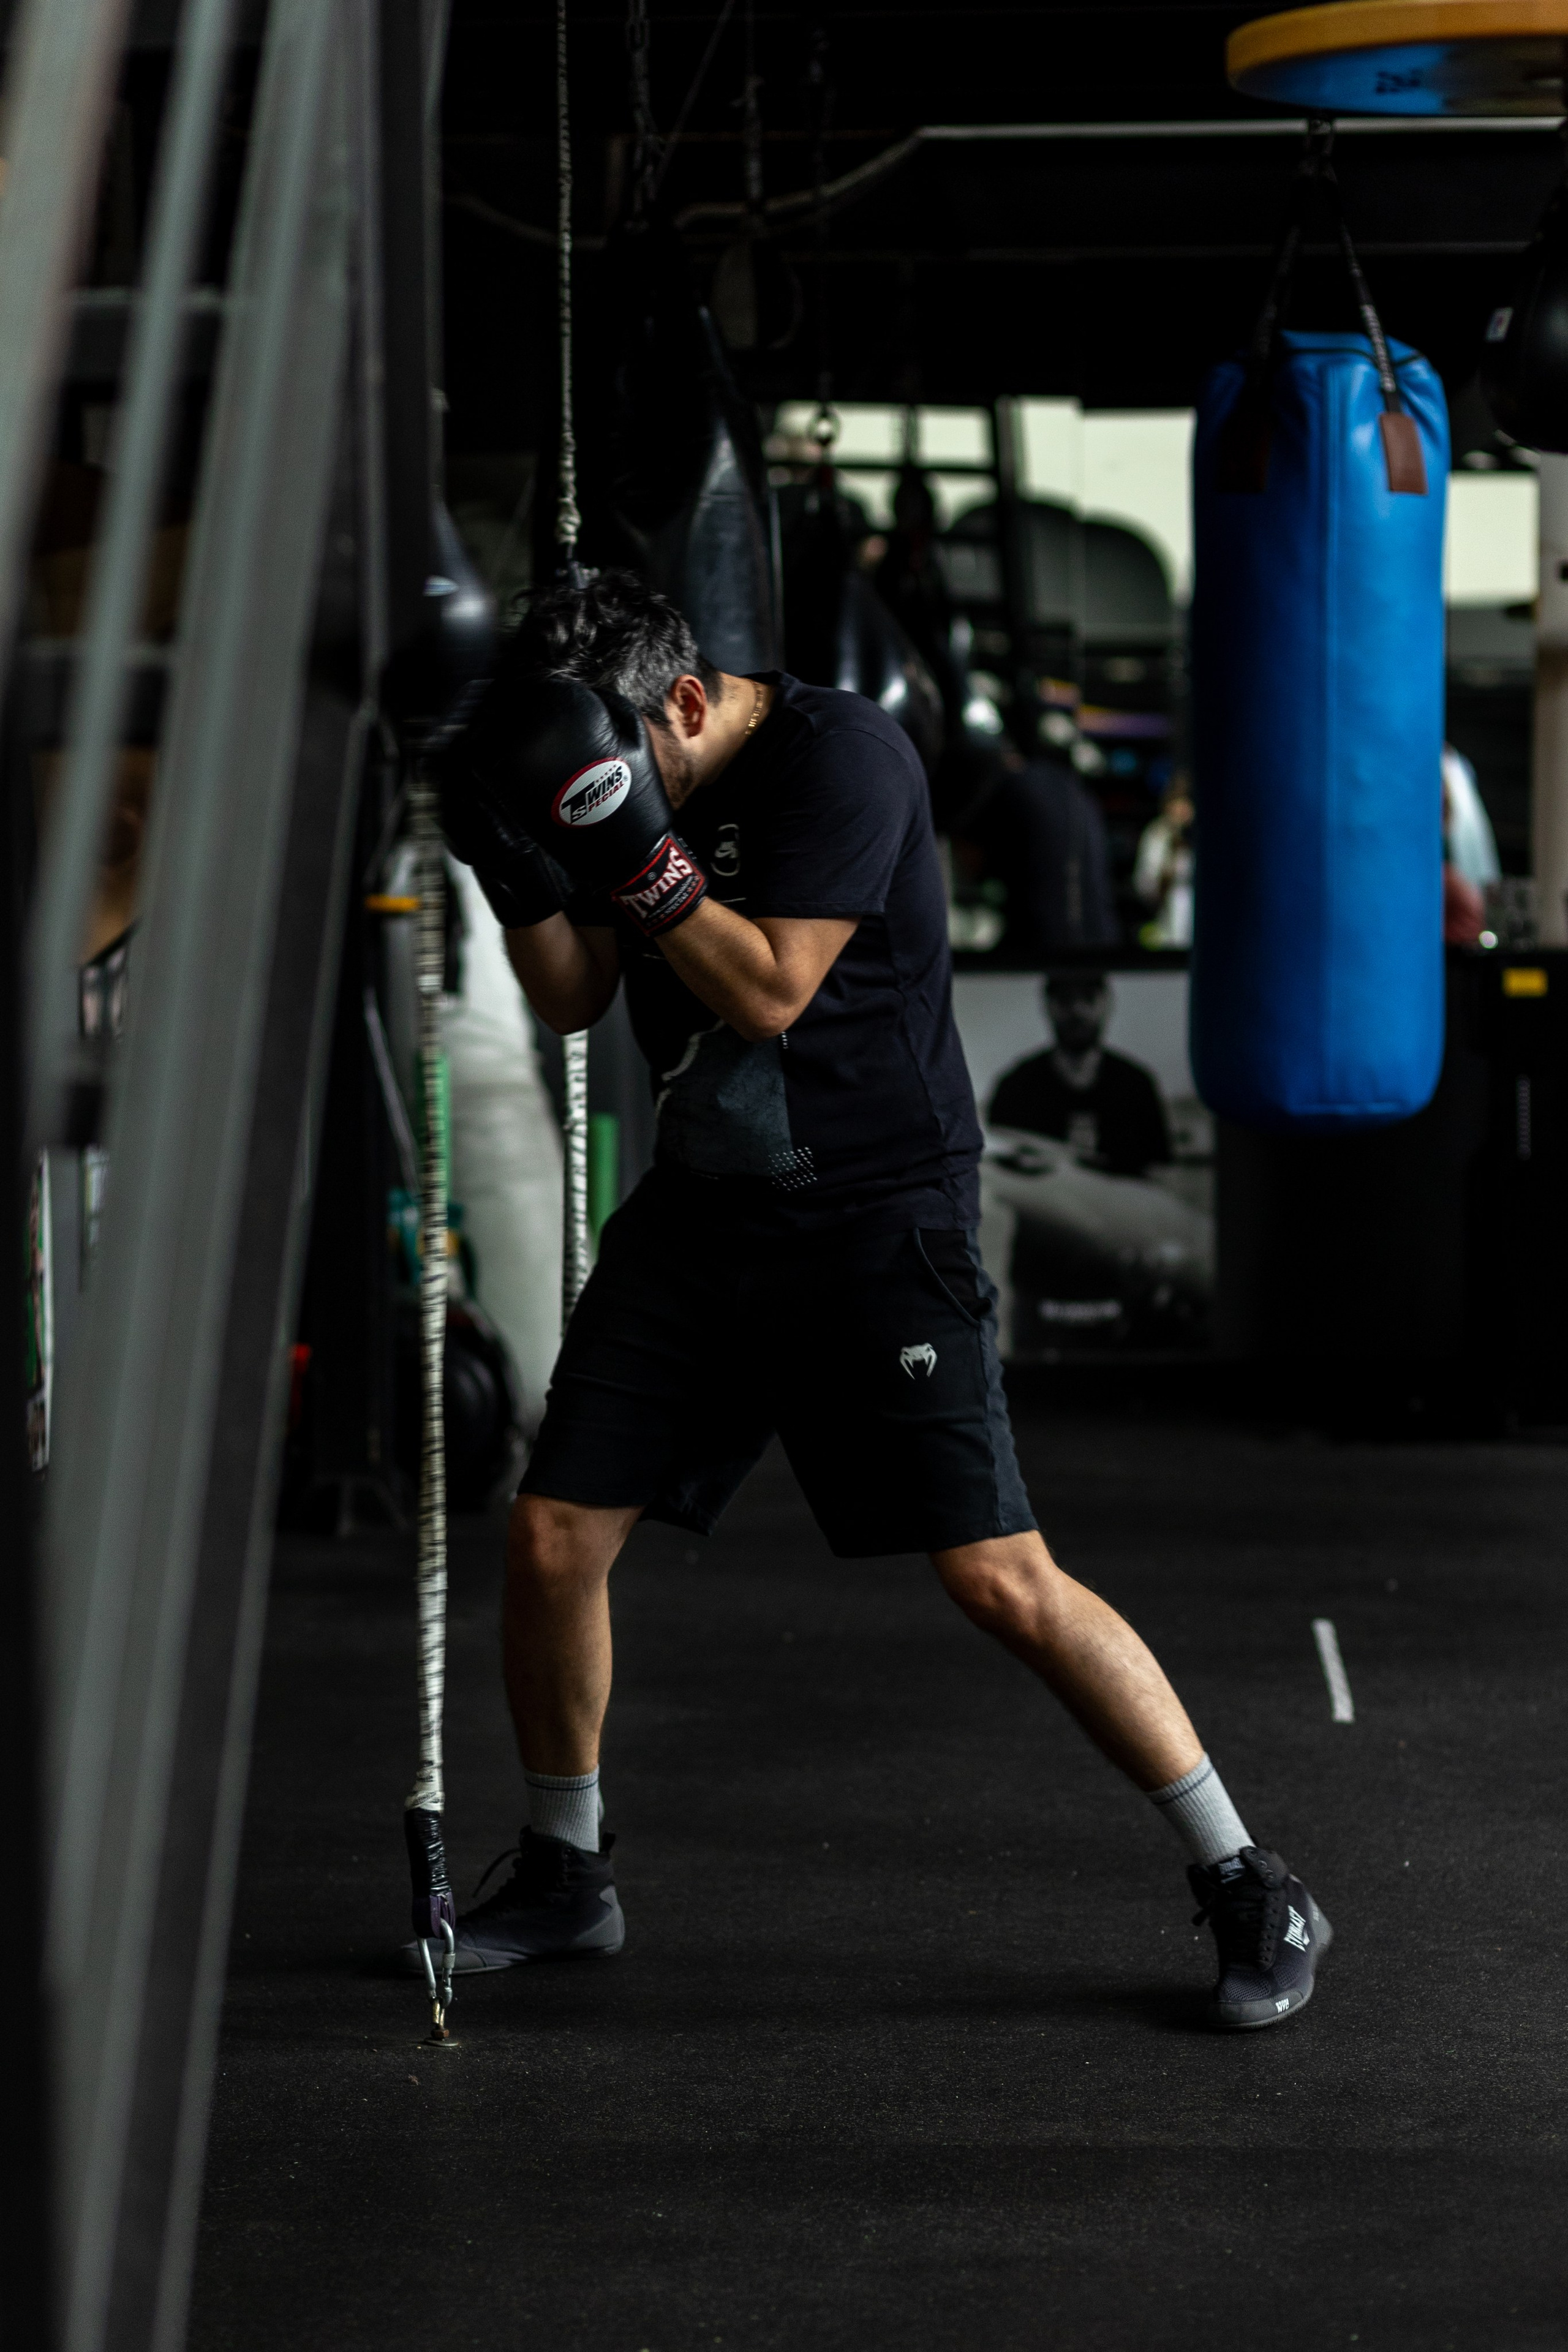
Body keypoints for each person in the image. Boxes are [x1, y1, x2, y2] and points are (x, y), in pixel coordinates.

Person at [418, 568, 1330, 2031]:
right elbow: (576, 994)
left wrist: (624, 840)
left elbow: (770, 988)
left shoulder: (842, 760)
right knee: (550, 1535)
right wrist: (513, 863)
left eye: (626, 770)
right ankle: (566, 1869)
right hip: (699, 1220)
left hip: (873, 1217)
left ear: (687, 701)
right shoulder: (609, 757)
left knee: (998, 1578)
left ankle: (1248, 1876)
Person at [989, 971, 1171, 1180]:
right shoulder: (1015, 1088)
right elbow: (1000, 1176)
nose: (1077, 1010)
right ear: (1048, 1006)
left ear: (1106, 1003)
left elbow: (1160, 1173)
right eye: (1065, 999)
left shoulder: (1137, 1086)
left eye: (1089, 998)